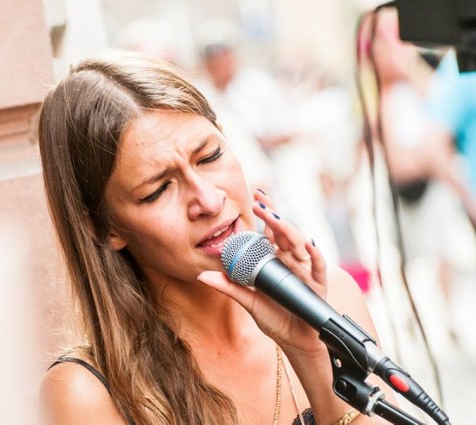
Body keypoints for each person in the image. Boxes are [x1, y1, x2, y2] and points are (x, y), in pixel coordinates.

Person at [37, 50, 393, 425]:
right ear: (103, 228)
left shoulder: (329, 299)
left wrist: (311, 353)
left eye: (209, 156)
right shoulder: (86, 392)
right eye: (157, 191)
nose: (208, 199)